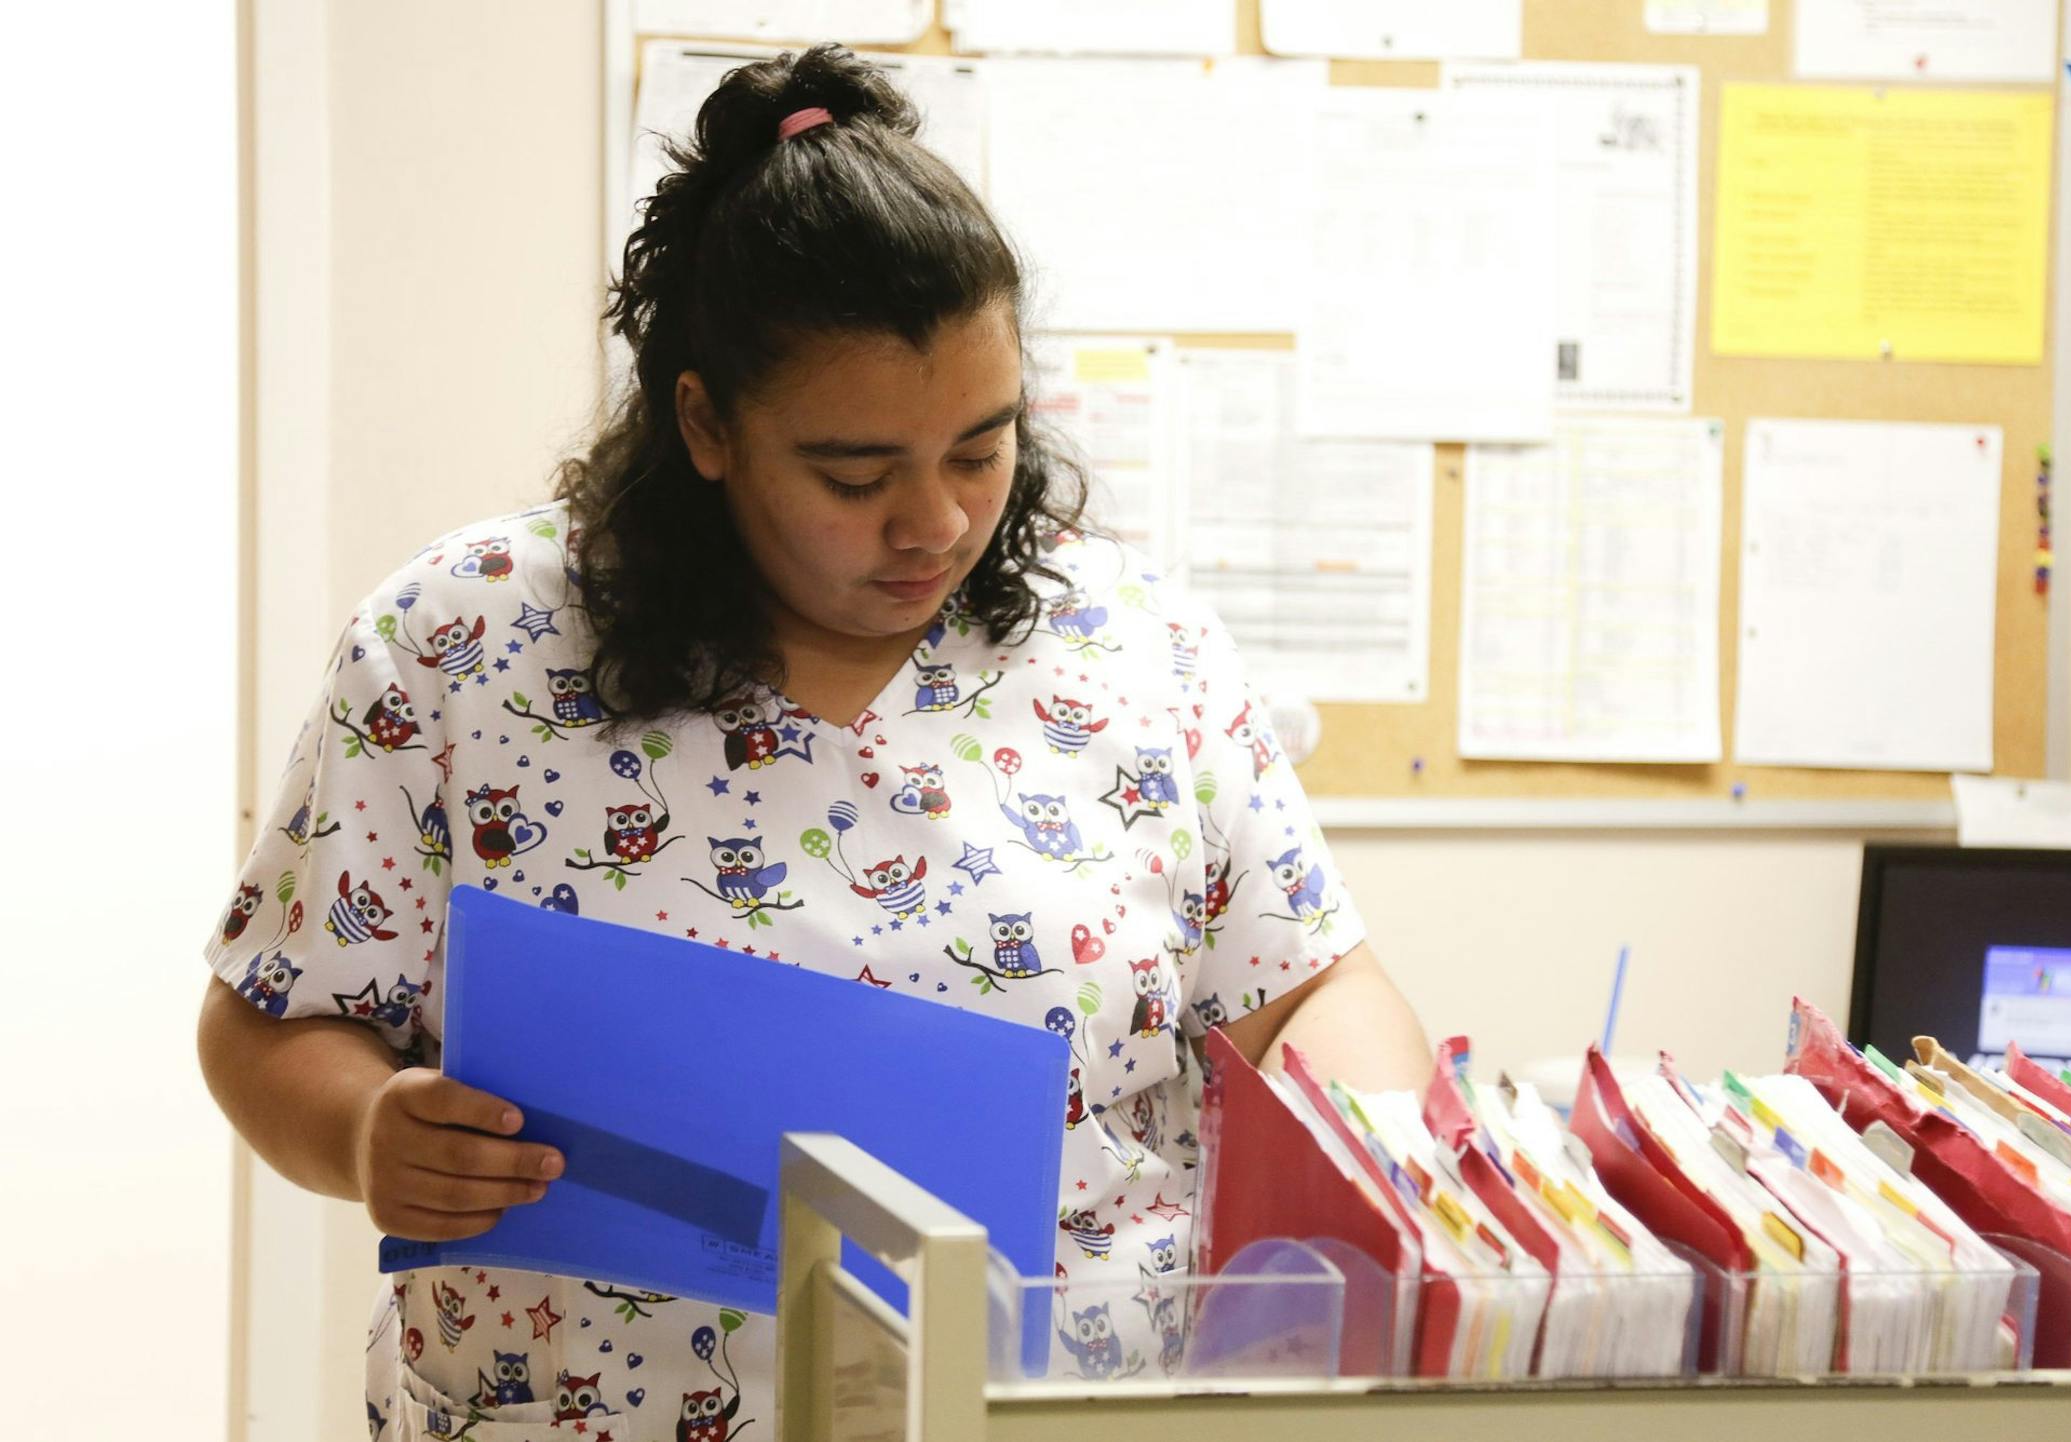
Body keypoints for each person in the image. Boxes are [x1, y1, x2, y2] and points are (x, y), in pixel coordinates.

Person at [197, 42, 1433, 1439]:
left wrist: (1369, 1166)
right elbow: (268, 1019)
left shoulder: (1141, 652)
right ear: (707, 423)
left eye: (982, 449)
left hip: (1048, 1407)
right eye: (856, 474)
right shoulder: (462, 643)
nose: (938, 523)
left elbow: (1314, 987)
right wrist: (368, 1133)